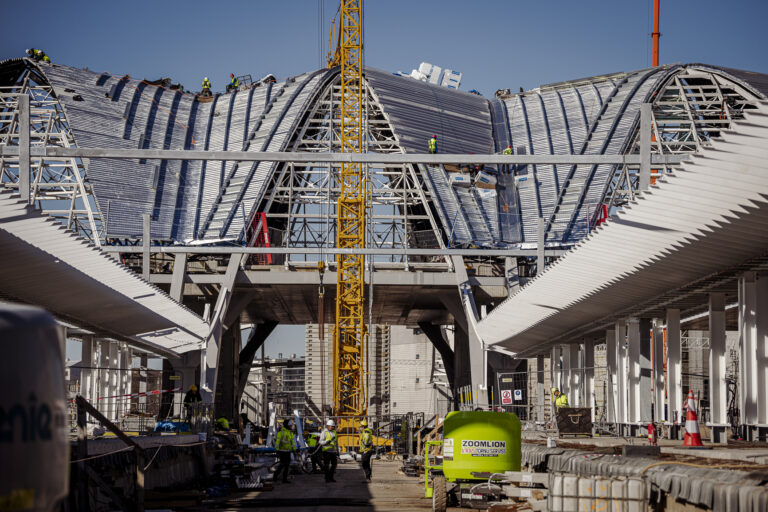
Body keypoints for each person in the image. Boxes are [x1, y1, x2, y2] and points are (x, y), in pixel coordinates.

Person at [275, 419, 295, 483]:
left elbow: (292, 442)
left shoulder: (290, 433)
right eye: (290, 426)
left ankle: (284, 479)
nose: (291, 427)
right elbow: (277, 442)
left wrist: (294, 450)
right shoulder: (280, 433)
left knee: (287, 466)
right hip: (282, 452)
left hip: (288, 452)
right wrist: (277, 450)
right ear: (287, 425)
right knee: (282, 465)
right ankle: (275, 477)